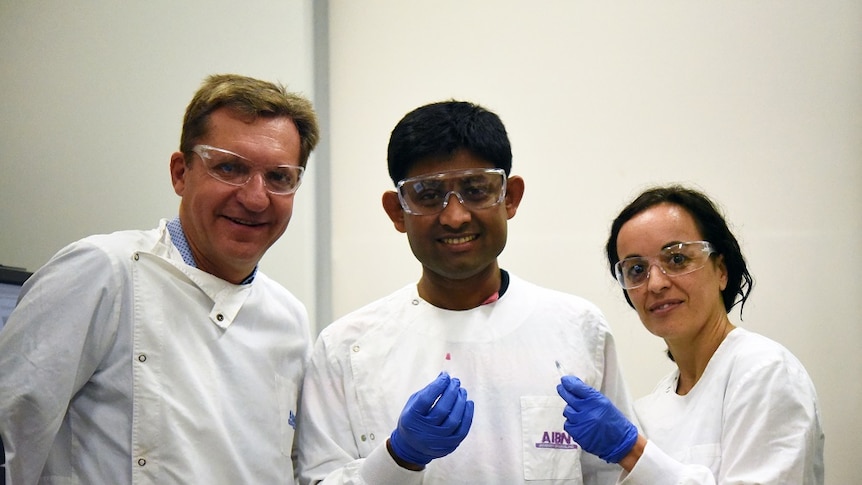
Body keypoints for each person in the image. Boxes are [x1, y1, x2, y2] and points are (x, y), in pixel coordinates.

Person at [0, 73, 320, 484]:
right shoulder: (102, 271)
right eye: (229, 167)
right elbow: (11, 439)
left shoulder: (288, 317)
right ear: (180, 173)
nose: (255, 198)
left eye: (279, 177)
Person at [295, 100, 634, 484]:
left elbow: (616, 474)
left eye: (475, 190)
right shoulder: (346, 348)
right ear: (396, 210)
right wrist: (397, 460)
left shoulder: (577, 328)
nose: (455, 216)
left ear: (510, 197)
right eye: (427, 193)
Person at [556, 185, 825, 484]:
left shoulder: (765, 371)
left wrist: (632, 451)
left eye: (677, 259)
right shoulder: (651, 408)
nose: (655, 283)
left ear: (721, 270)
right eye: (636, 269)